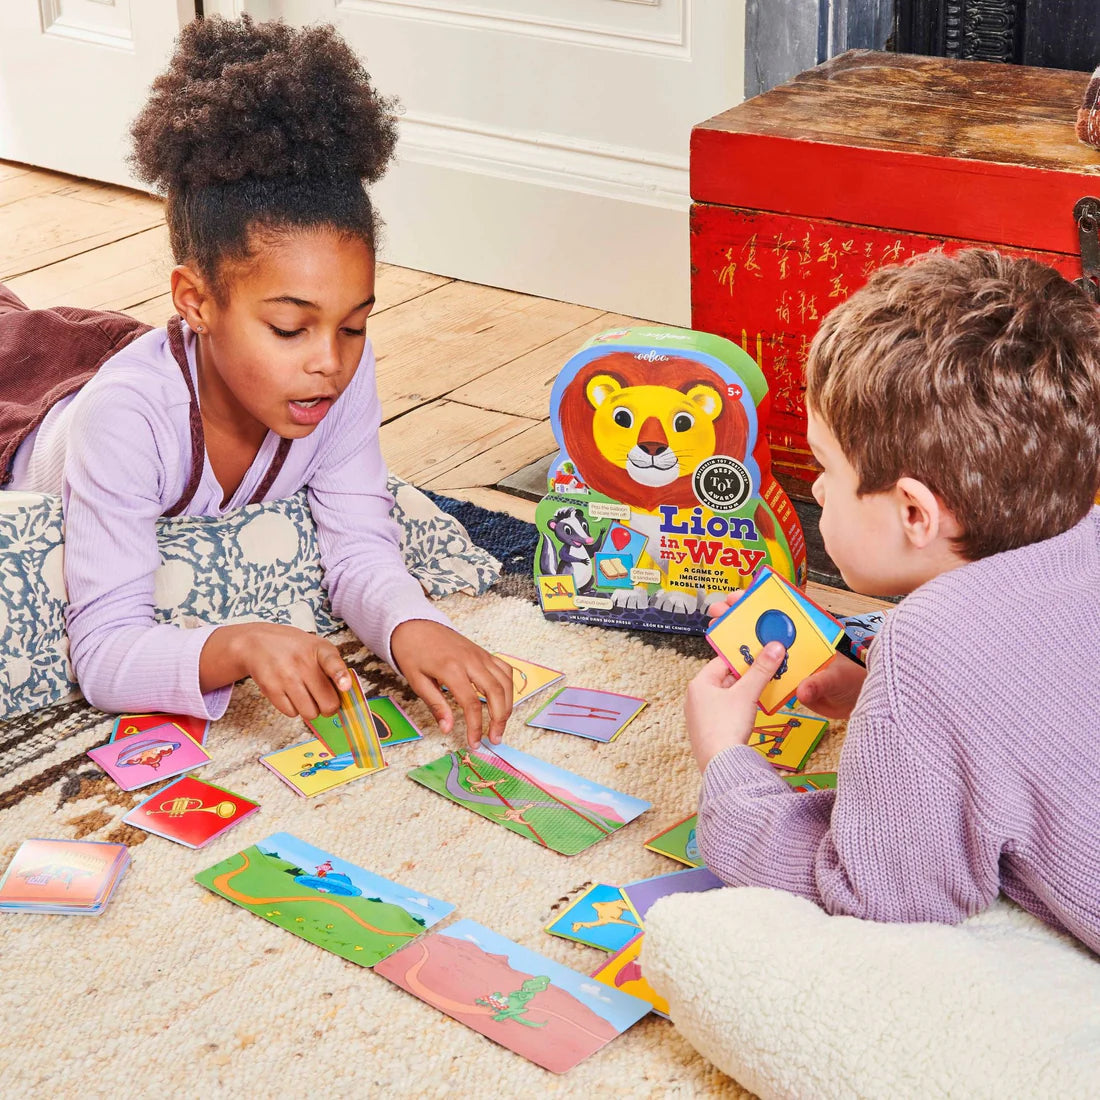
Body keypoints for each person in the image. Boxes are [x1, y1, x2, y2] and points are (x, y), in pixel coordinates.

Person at [2, 16, 513, 745]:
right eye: (288, 327)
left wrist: (415, 626)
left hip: (144, 362)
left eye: (353, 323)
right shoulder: (124, 419)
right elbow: (105, 651)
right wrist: (237, 644)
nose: (329, 362)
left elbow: (361, 545)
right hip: (31, 405)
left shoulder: (334, 368)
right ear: (195, 303)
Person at [684, 249, 1100, 953]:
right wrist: (881, 689)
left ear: (915, 514)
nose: (816, 491)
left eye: (827, 468)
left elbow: (882, 895)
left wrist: (726, 763)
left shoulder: (929, 641)